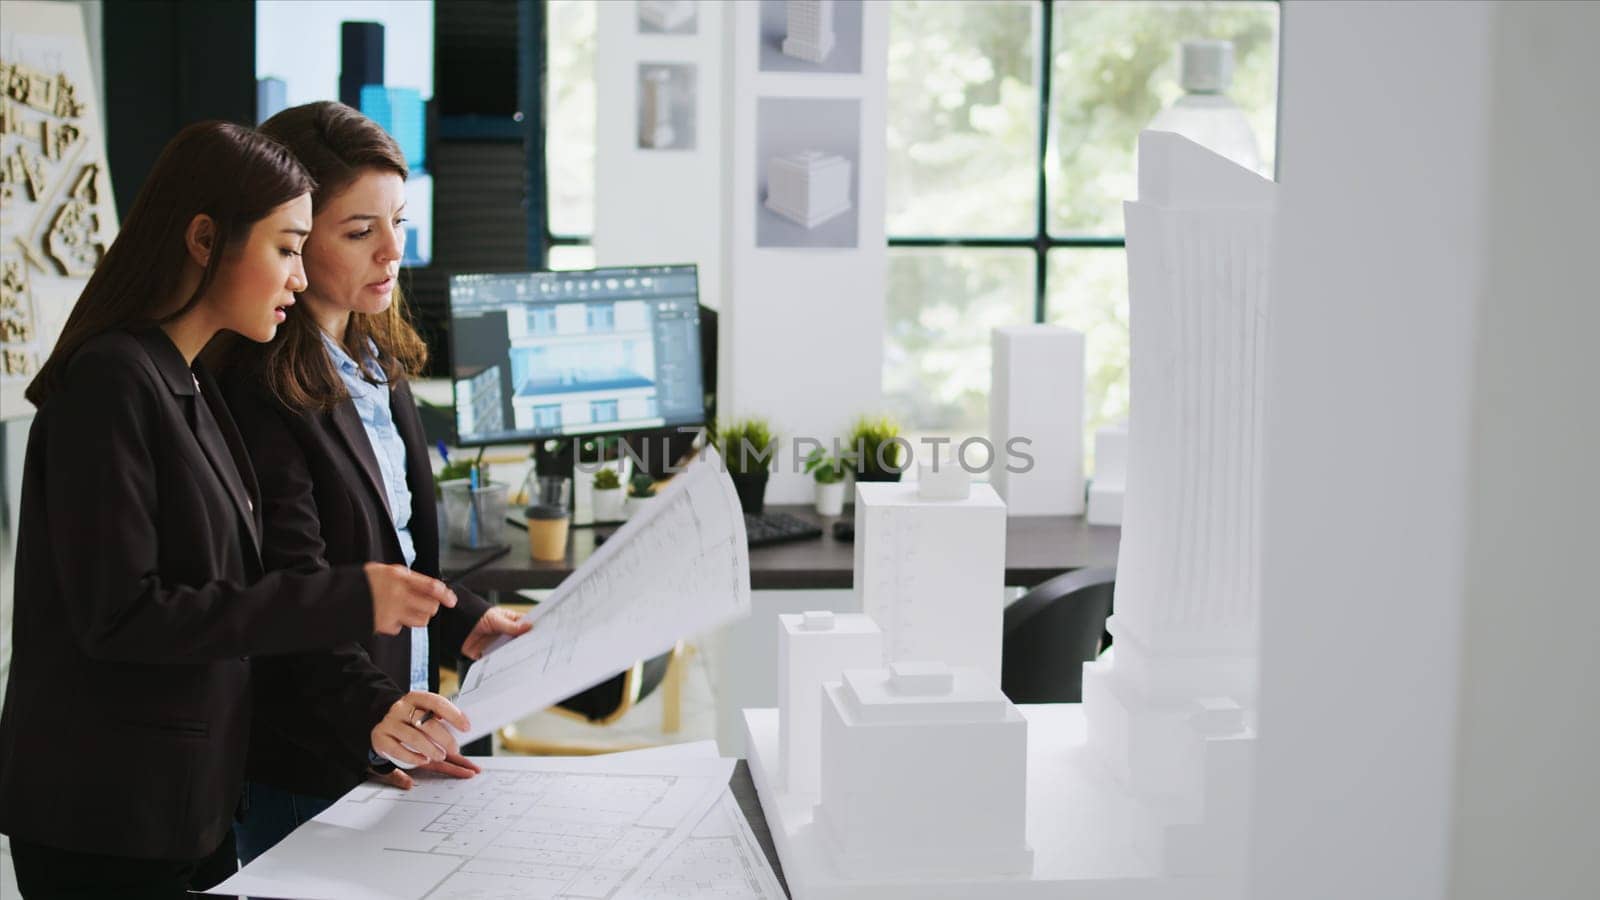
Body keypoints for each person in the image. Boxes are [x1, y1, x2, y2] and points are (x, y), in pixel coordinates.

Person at [0, 121, 469, 899]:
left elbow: (238, 588)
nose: (296, 276)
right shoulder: (112, 382)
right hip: (111, 813)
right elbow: (124, 615)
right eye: (286, 248)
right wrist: (352, 596)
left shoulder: (183, 379)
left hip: (189, 805)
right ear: (204, 240)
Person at [218, 101, 530, 863]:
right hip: (311, 754)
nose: (393, 251)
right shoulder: (258, 386)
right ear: (291, 238)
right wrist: (375, 707)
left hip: (389, 744)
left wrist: (464, 621)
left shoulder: (374, 360)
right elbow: (293, 591)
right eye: (359, 232)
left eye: (397, 221)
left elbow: (401, 558)